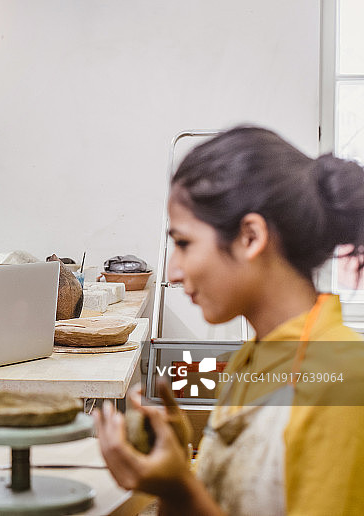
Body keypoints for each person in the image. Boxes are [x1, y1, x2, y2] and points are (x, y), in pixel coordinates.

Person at [94, 126, 364, 515]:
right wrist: (173, 468)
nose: (173, 272)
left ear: (250, 237)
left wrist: (181, 489)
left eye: (184, 243)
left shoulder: (343, 383)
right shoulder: (254, 358)